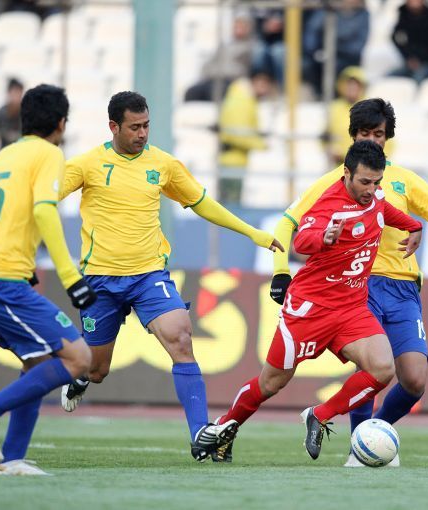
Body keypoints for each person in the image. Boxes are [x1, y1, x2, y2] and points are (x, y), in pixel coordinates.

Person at [269, 98, 428, 467]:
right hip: (360, 285)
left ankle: (373, 436)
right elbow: (287, 223)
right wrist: (281, 270)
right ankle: (360, 449)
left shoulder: (404, 180)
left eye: (379, 134)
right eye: (365, 133)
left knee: (415, 380)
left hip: (404, 290)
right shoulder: (335, 181)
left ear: (387, 137)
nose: (372, 140)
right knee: (371, 368)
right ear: (353, 136)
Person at [58, 91, 284, 462]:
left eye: (146, 125)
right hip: (101, 280)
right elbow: (46, 199)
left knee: (181, 337)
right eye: (134, 127)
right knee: (96, 370)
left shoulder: (163, 164)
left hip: (149, 275)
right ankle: (80, 376)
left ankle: (200, 436)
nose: (142, 134)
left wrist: (251, 232)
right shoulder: (86, 165)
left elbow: (202, 203)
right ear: (113, 126)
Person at [202, 140, 423, 462]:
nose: (371, 189)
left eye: (377, 182)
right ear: (346, 173)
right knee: (271, 382)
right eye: (364, 182)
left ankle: (319, 415)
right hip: (310, 310)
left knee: (382, 368)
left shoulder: (375, 197)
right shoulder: (328, 205)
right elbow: (302, 240)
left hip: (351, 308)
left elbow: (383, 210)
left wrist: (413, 225)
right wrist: (324, 237)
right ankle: (224, 427)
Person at [0, 84, 97, 476]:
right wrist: (70, 277)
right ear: (61, 123)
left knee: (38, 363)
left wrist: (2, 246)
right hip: (1, 282)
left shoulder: (4, 155)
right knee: (79, 358)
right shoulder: (49, 154)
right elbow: (45, 211)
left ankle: (12, 459)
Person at [217, 68, 275, 204]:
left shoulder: (242, 98)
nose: (265, 90)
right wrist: (261, 144)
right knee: (230, 205)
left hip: (234, 159)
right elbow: (238, 135)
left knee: (230, 203)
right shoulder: (242, 100)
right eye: (263, 84)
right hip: (232, 161)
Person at [302, 0, 370, 97]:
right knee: (307, 64)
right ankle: (320, 94)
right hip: (324, 55)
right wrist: (315, 52)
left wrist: (335, 49)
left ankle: (337, 96)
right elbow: (312, 33)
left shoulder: (363, 15)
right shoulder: (328, 11)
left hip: (348, 59)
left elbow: (357, 47)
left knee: (339, 67)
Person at [183, 13, 255, 102]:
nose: (238, 30)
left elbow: (241, 70)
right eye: (236, 27)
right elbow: (208, 65)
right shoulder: (224, 46)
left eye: (241, 27)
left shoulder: (250, 47)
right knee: (191, 92)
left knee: (217, 92)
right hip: (212, 79)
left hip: (230, 82)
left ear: (248, 29)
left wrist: (220, 71)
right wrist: (214, 72)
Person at [389, 0, 428, 83]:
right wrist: (409, 58)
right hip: (410, 62)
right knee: (389, 78)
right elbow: (396, 38)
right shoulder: (404, 15)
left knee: (418, 78)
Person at [325, 66, 367, 165]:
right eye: (349, 85)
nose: (352, 88)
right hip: (339, 165)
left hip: (364, 165)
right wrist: (330, 149)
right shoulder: (334, 107)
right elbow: (325, 135)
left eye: (355, 85)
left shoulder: (370, 107)